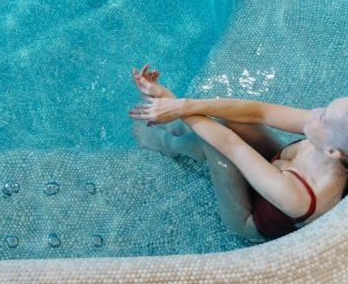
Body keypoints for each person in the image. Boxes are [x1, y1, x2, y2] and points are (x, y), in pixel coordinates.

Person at [129, 64, 348, 242]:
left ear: (332, 151)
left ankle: (167, 142)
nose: (316, 112)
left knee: (214, 146)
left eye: (323, 117)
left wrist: (169, 98)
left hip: (247, 217)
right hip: (274, 169)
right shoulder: (334, 140)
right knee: (235, 121)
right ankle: (180, 126)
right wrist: (182, 105)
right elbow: (260, 113)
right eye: (325, 108)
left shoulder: (300, 197)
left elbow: (230, 145)